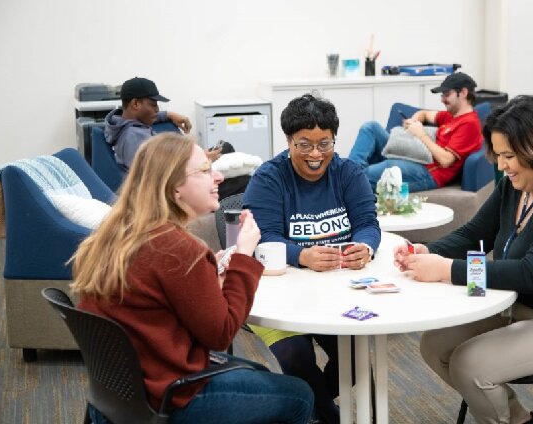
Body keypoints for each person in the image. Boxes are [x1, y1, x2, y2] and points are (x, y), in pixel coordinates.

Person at [393, 95, 533, 424]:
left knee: (470, 364)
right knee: (435, 344)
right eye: (499, 155)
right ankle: (521, 419)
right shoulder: (518, 185)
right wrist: (429, 252)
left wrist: (448, 271)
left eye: (509, 156)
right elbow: (472, 233)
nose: (501, 166)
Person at [70, 132, 314, 424]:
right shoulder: (176, 249)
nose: (218, 178)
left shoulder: (118, 235)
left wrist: (212, 272)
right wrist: (244, 255)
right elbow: (221, 333)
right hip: (170, 397)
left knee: (256, 373)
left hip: (120, 396)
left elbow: (166, 296)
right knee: (299, 395)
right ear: (174, 188)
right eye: (204, 171)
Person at [243, 94, 381, 424]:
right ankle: (328, 416)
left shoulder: (349, 172)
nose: (316, 154)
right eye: (304, 144)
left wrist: (365, 246)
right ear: (289, 141)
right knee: (296, 355)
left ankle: (322, 408)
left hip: (336, 289)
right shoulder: (268, 178)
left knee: (355, 356)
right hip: (277, 291)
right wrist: (301, 254)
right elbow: (264, 238)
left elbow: (367, 223)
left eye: (325, 143)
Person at [104, 76, 251, 199]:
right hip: (176, 192)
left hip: (180, 172)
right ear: (135, 103)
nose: (157, 110)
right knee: (245, 181)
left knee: (226, 148)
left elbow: (144, 119)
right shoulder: (134, 138)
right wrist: (201, 163)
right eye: (153, 104)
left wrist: (168, 115)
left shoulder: (123, 123)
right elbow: (162, 177)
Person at [348, 72, 483, 191]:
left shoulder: (469, 124)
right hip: (416, 155)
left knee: (379, 171)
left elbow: (446, 160)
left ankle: (348, 181)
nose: (442, 100)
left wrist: (421, 134)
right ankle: (348, 173)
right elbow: (423, 113)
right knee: (371, 127)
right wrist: (414, 121)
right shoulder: (450, 115)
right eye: (442, 95)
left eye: (447, 94)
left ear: (463, 93)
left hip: (428, 172)